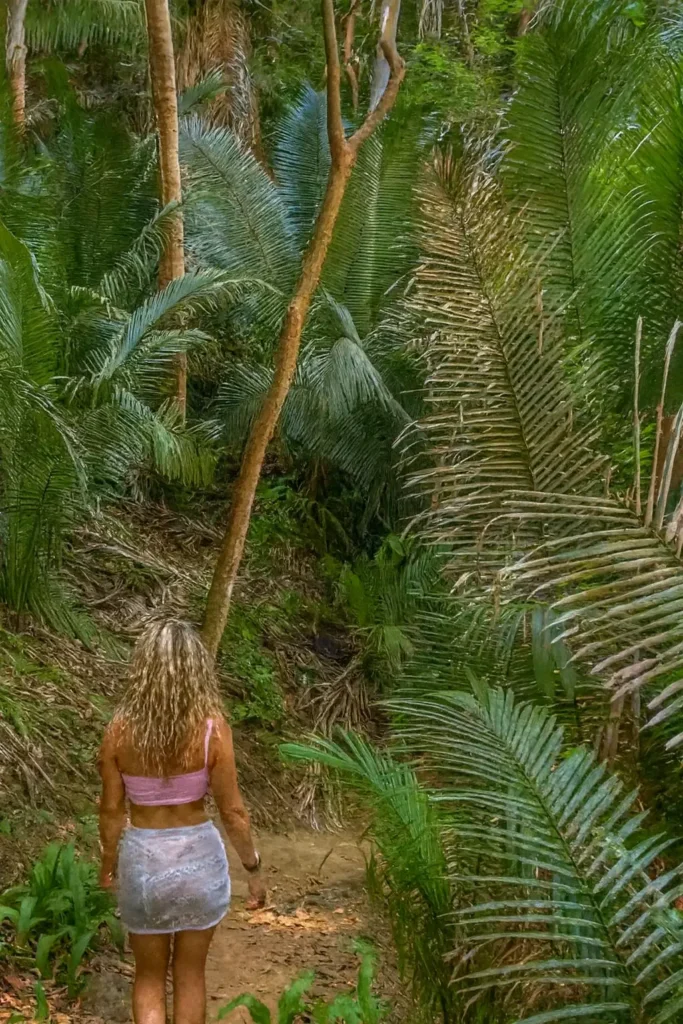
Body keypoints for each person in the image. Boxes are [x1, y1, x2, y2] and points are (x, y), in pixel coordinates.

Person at [98, 619, 266, 1024]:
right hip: (198, 863)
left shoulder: (118, 732)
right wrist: (253, 869)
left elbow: (110, 812)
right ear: (197, 669)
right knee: (190, 974)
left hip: (144, 863)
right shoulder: (212, 730)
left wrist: (106, 866)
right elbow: (233, 812)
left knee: (148, 976)